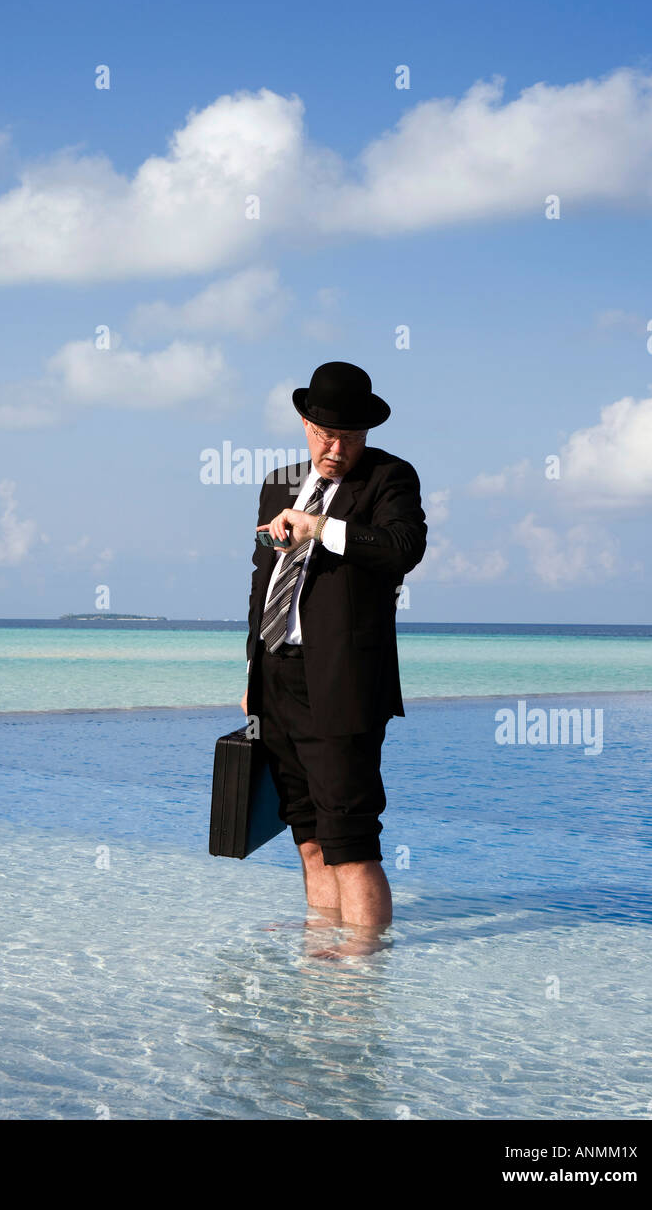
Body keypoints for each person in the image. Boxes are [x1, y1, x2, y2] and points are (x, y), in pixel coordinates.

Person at [241, 361, 427, 939]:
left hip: (343, 684)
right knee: (308, 834)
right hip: (276, 676)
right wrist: (251, 668)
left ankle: (364, 983)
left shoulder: (390, 478)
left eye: (348, 436)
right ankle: (324, 952)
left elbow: (402, 549)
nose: (334, 447)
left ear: (366, 432)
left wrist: (319, 526)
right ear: (304, 423)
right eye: (324, 433)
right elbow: (260, 579)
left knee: (351, 839)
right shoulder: (278, 482)